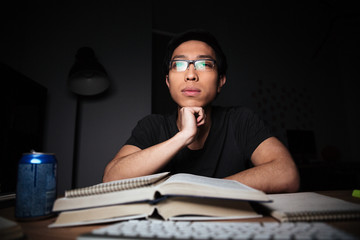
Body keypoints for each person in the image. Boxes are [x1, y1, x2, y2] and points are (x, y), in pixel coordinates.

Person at [103, 29, 300, 193]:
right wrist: (183, 137)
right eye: (179, 65)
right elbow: (111, 179)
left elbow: (287, 173)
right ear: (167, 81)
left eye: (204, 64)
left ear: (220, 81)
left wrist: (203, 191)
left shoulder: (240, 120)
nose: (190, 75)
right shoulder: (152, 126)